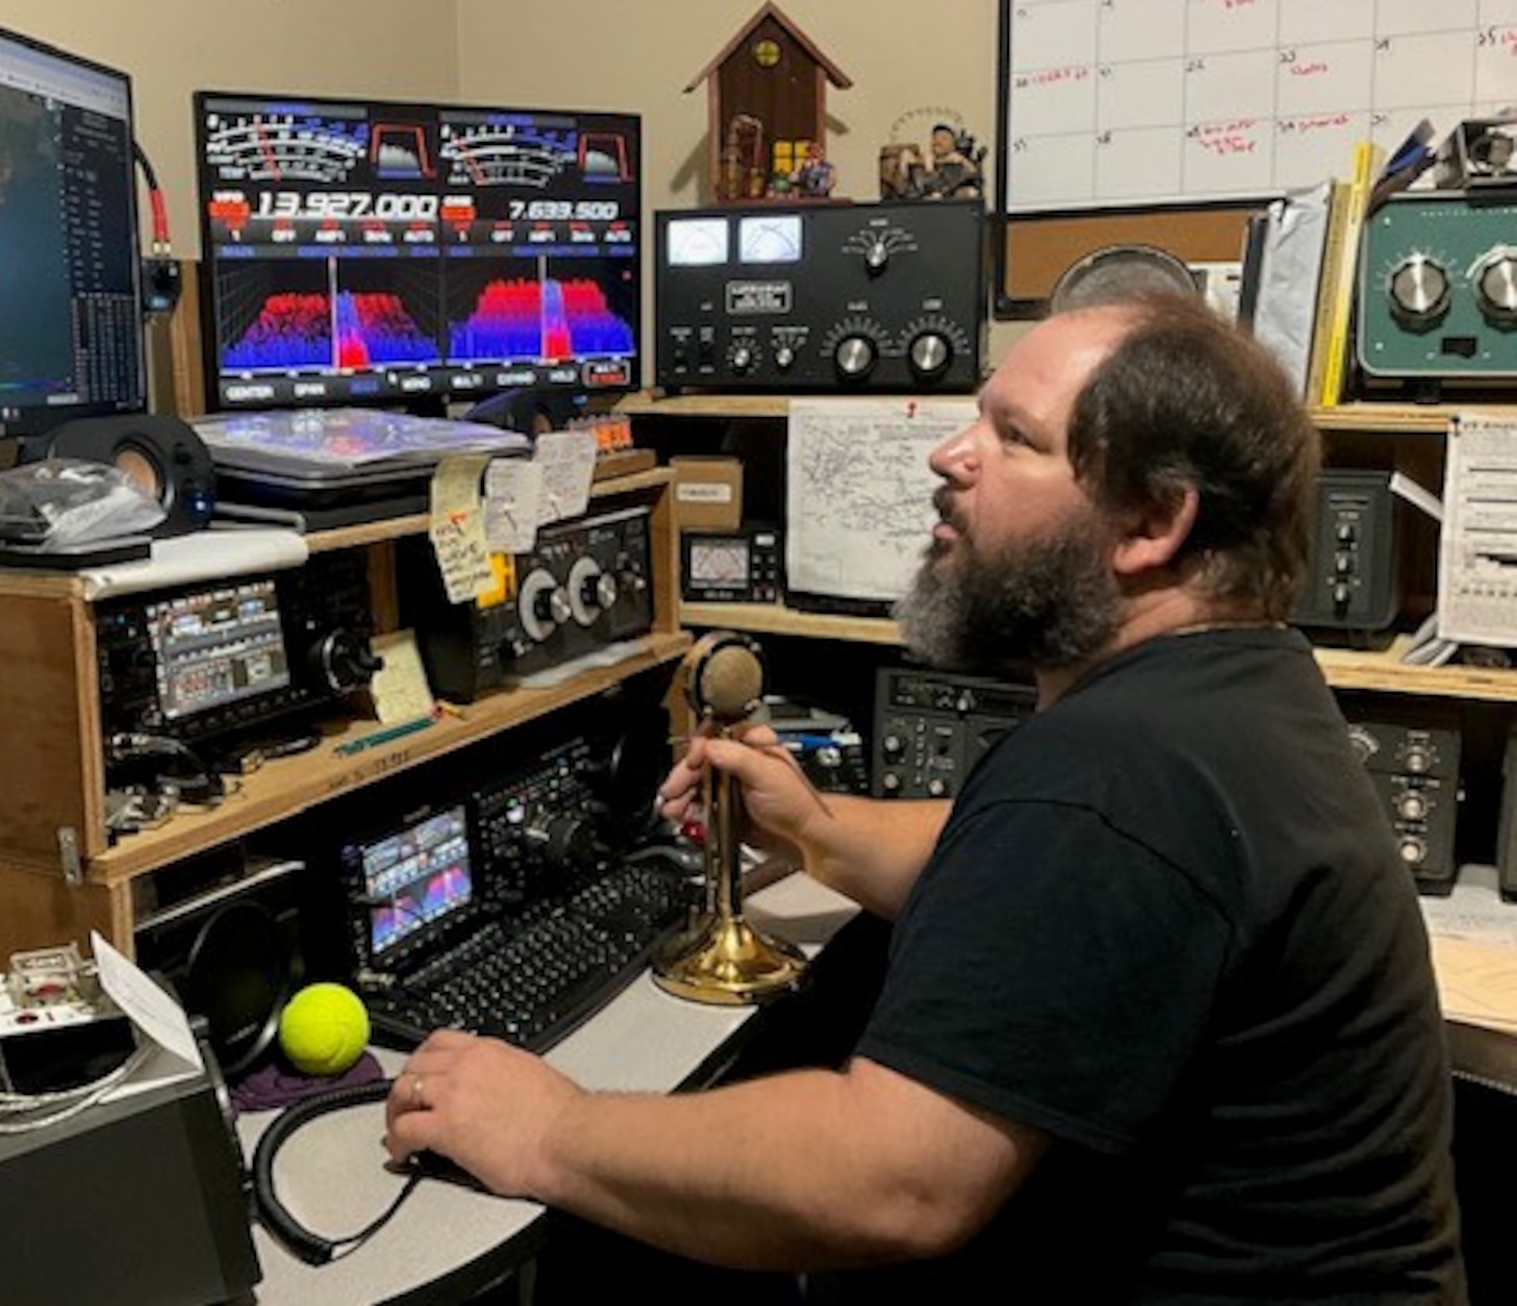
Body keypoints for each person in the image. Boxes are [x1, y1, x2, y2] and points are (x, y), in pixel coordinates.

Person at [383, 294, 1465, 1302]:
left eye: (1012, 438)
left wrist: (549, 1129)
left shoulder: (1113, 778)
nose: (947, 456)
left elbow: (888, 1182)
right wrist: (813, 827)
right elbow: (1019, 884)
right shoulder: (1230, 694)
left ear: (1149, 523)